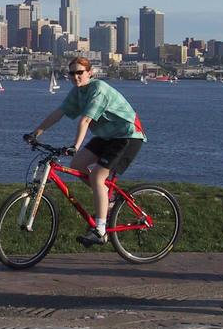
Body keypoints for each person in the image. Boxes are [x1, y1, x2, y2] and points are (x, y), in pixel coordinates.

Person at [26, 57, 146, 246]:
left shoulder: (98, 89)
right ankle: (109, 199)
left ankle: (100, 230)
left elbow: (85, 120)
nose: (75, 76)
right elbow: (59, 113)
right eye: (72, 73)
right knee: (77, 165)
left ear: (90, 73)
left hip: (128, 136)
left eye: (79, 72)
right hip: (107, 137)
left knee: (97, 176)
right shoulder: (77, 92)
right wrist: (35, 133)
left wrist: (75, 146)